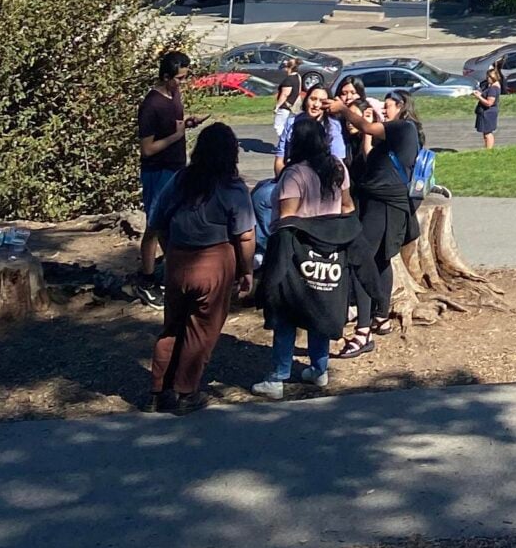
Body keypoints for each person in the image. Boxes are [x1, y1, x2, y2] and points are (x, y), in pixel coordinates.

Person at [146, 121, 255, 413]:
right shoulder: (233, 188)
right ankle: (186, 391)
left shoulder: (180, 180)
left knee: (171, 326)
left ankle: (159, 390)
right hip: (215, 261)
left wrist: (171, 252)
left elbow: (157, 223)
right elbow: (245, 235)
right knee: (201, 330)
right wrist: (247, 270)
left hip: (179, 260)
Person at [253, 115, 355, 399]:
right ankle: (319, 368)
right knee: (320, 306)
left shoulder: (294, 173)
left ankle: (278, 376)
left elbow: (287, 217)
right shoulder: (337, 167)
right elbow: (348, 206)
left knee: (287, 310)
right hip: (329, 249)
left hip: (297, 250)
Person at [332, 78, 416, 358]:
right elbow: (369, 151)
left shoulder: (403, 128)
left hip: (384, 203)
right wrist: (370, 126)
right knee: (379, 259)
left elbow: (367, 127)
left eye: (388, 106)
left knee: (361, 260)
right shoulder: (392, 134)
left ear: (401, 107)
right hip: (379, 202)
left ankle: (362, 331)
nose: (385, 109)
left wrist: (344, 110)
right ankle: (380, 316)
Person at [137, 48, 196, 294]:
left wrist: (187, 123)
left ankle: (173, 271)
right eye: (179, 78)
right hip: (157, 171)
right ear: (165, 76)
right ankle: (146, 279)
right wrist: (176, 136)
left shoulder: (174, 96)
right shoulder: (151, 105)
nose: (182, 83)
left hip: (176, 168)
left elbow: (176, 124)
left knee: (171, 224)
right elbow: (147, 149)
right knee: (154, 224)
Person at [474, 67, 502, 150]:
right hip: (488, 112)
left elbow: (489, 103)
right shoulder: (494, 86)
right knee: (486, 132)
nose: (487, 79)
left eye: (489, 77)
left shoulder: (493, 89)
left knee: (488, 133)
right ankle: (487, 148)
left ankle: (489, 150)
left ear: (493, 77)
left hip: (488, 113)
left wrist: (479, 97)